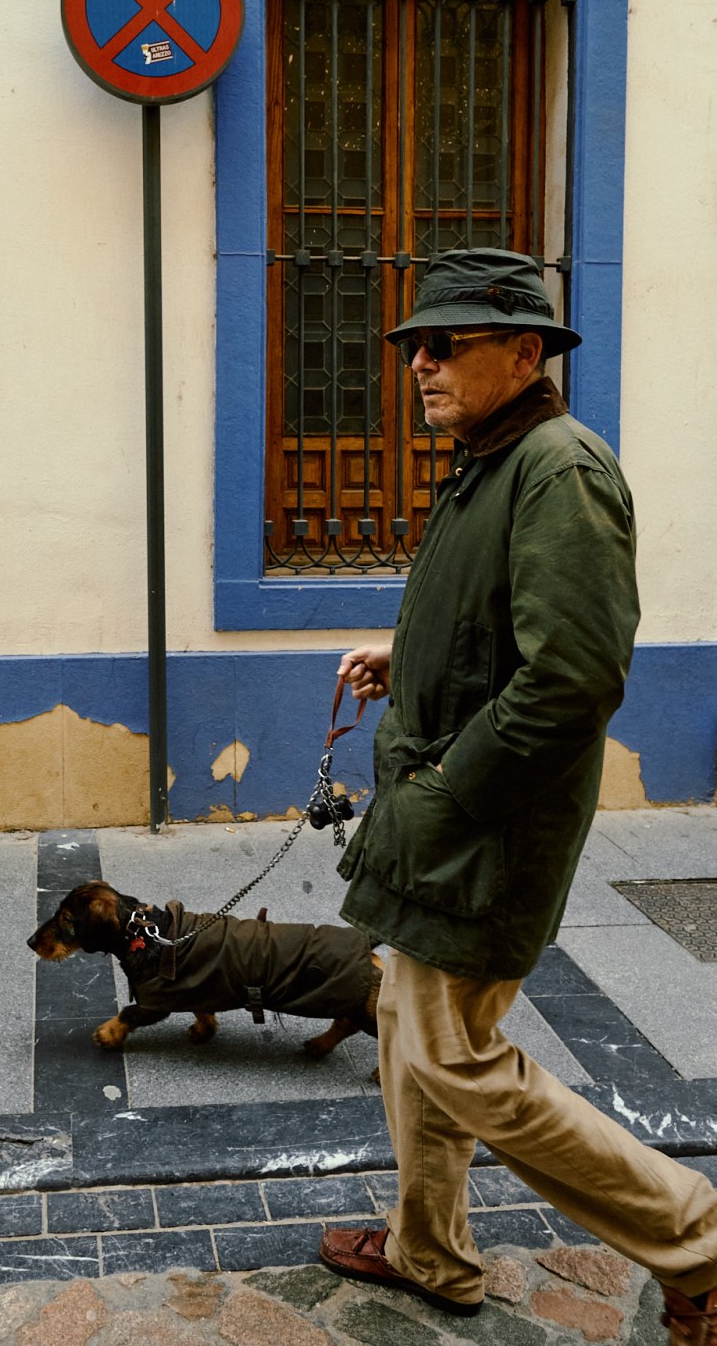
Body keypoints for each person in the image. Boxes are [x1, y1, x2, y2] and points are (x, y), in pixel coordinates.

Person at [318, 248, 717, 1345]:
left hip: (478, 829)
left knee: (453, 1054)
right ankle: (429, 1252)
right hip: (439, 816)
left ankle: (696, 1237)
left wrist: (448, 792)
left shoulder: (559, 470)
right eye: (413, 347)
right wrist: (407, 662)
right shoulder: (490, 461)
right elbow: (500, 631)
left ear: (524, 351)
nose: (421, 365)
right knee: (411, 1028)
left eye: (446, 344)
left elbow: (572, 679)